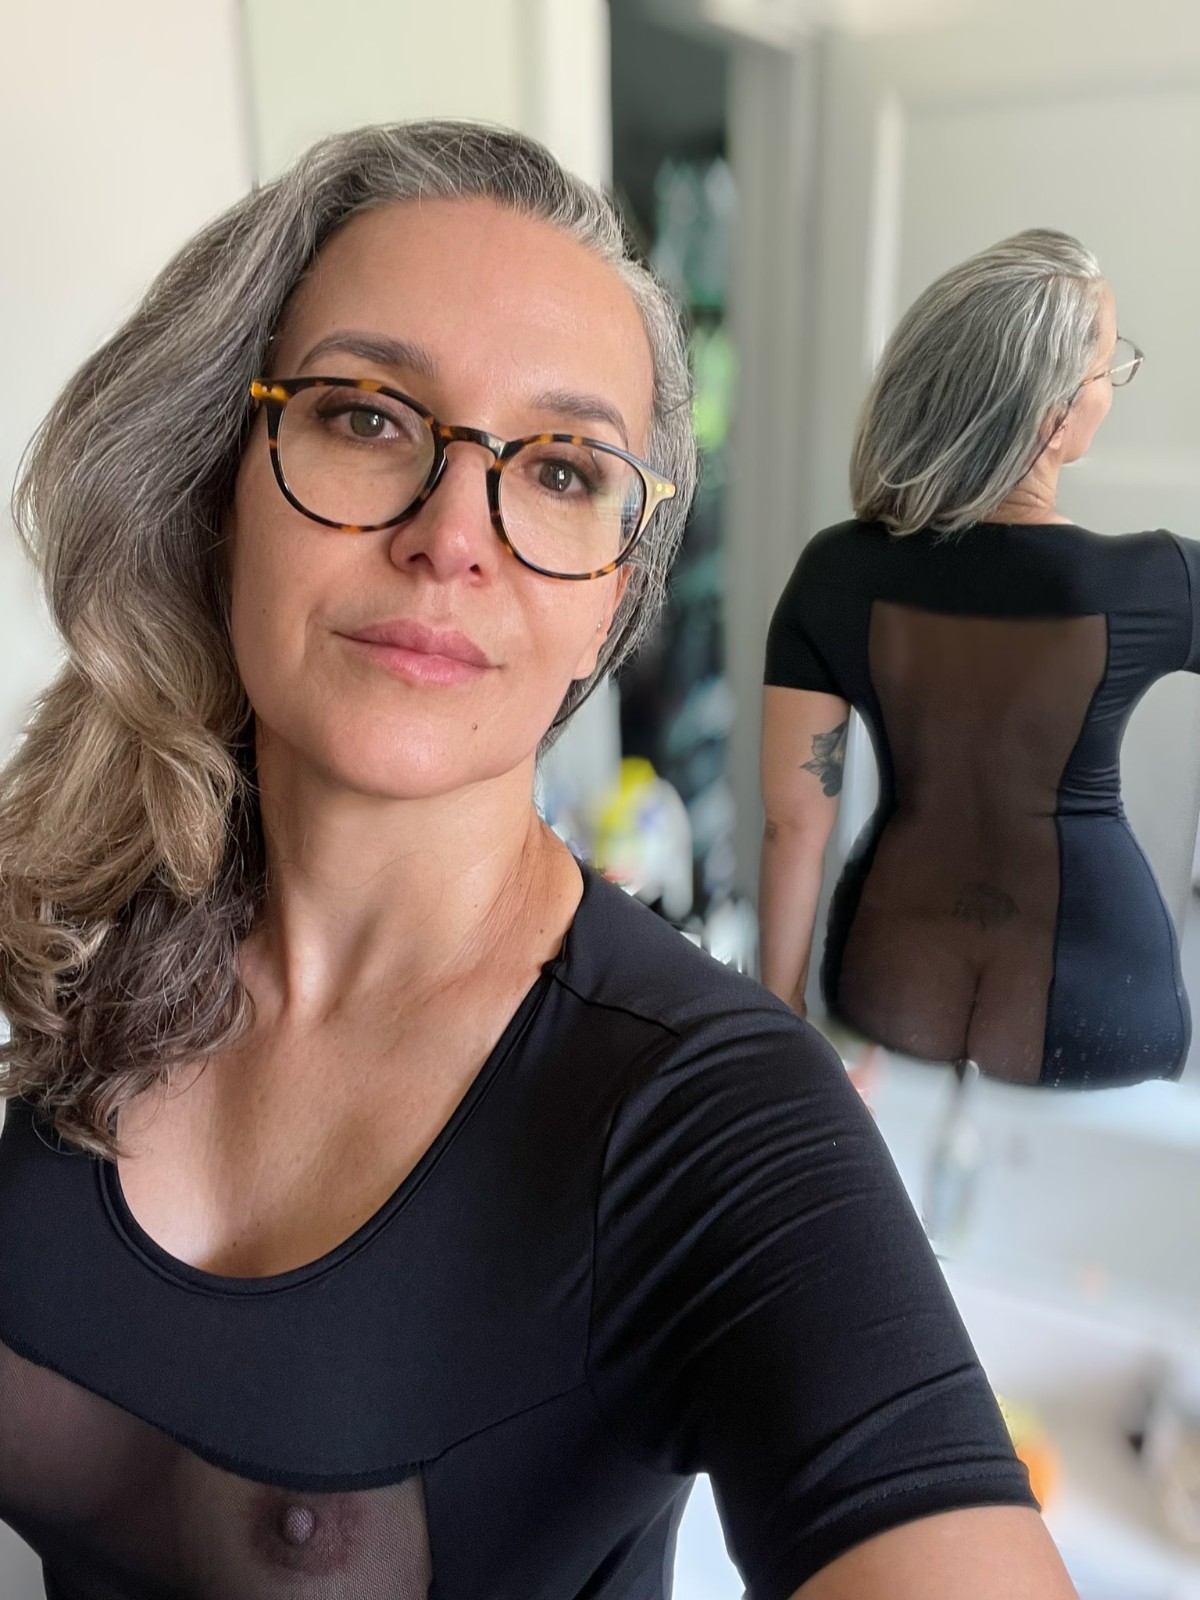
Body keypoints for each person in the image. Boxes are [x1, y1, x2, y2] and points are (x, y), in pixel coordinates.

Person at [0, 124, 1075, 1599]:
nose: (455, 535)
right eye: (367, 415)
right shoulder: (70, 923)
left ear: (610, 602)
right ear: (220, 482)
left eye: (563, 469)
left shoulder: (709, 1105)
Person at [760, 228, 1196, 1090]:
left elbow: (792, 825)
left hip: (891, 981)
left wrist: (774, 1030)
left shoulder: (836, 572)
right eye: (1108, 369)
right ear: (1053, 415)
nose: (1112, 389)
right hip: (1101, 1008)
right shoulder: (1153, 581)